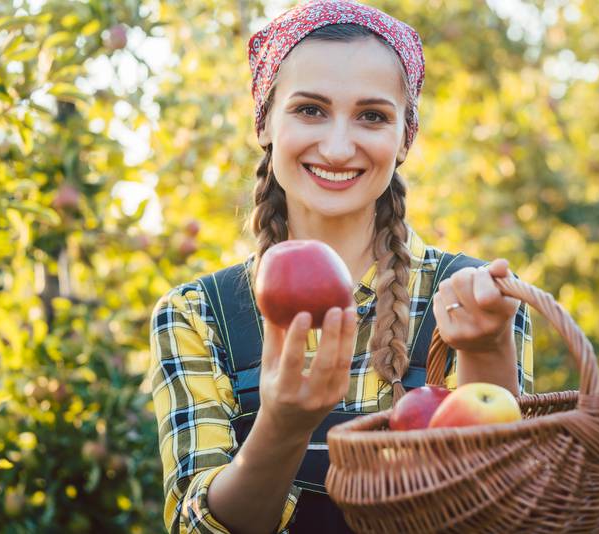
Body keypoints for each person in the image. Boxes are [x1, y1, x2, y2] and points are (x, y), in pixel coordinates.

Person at [148, 1, 534, 532]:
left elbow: (506, 512)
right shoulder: (199, 316)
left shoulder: (476, 300)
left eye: (372, 116)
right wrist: (281, 426)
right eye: (310, 109)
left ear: (405, 138)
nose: (336, 146)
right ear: (264, 123)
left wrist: (488, 350)